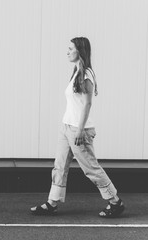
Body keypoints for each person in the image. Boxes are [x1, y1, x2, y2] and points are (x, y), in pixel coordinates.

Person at [30, 37, 124, 218]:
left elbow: (88, 104)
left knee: (91, 168)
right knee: (59, 166)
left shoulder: (86, 74)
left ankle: (115, 201)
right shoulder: (76, 71)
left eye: (70, 49)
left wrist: (80, 130)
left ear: (79, 51)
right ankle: (52, 202)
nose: (67, 52)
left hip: (79, 130)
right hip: (66, 127)